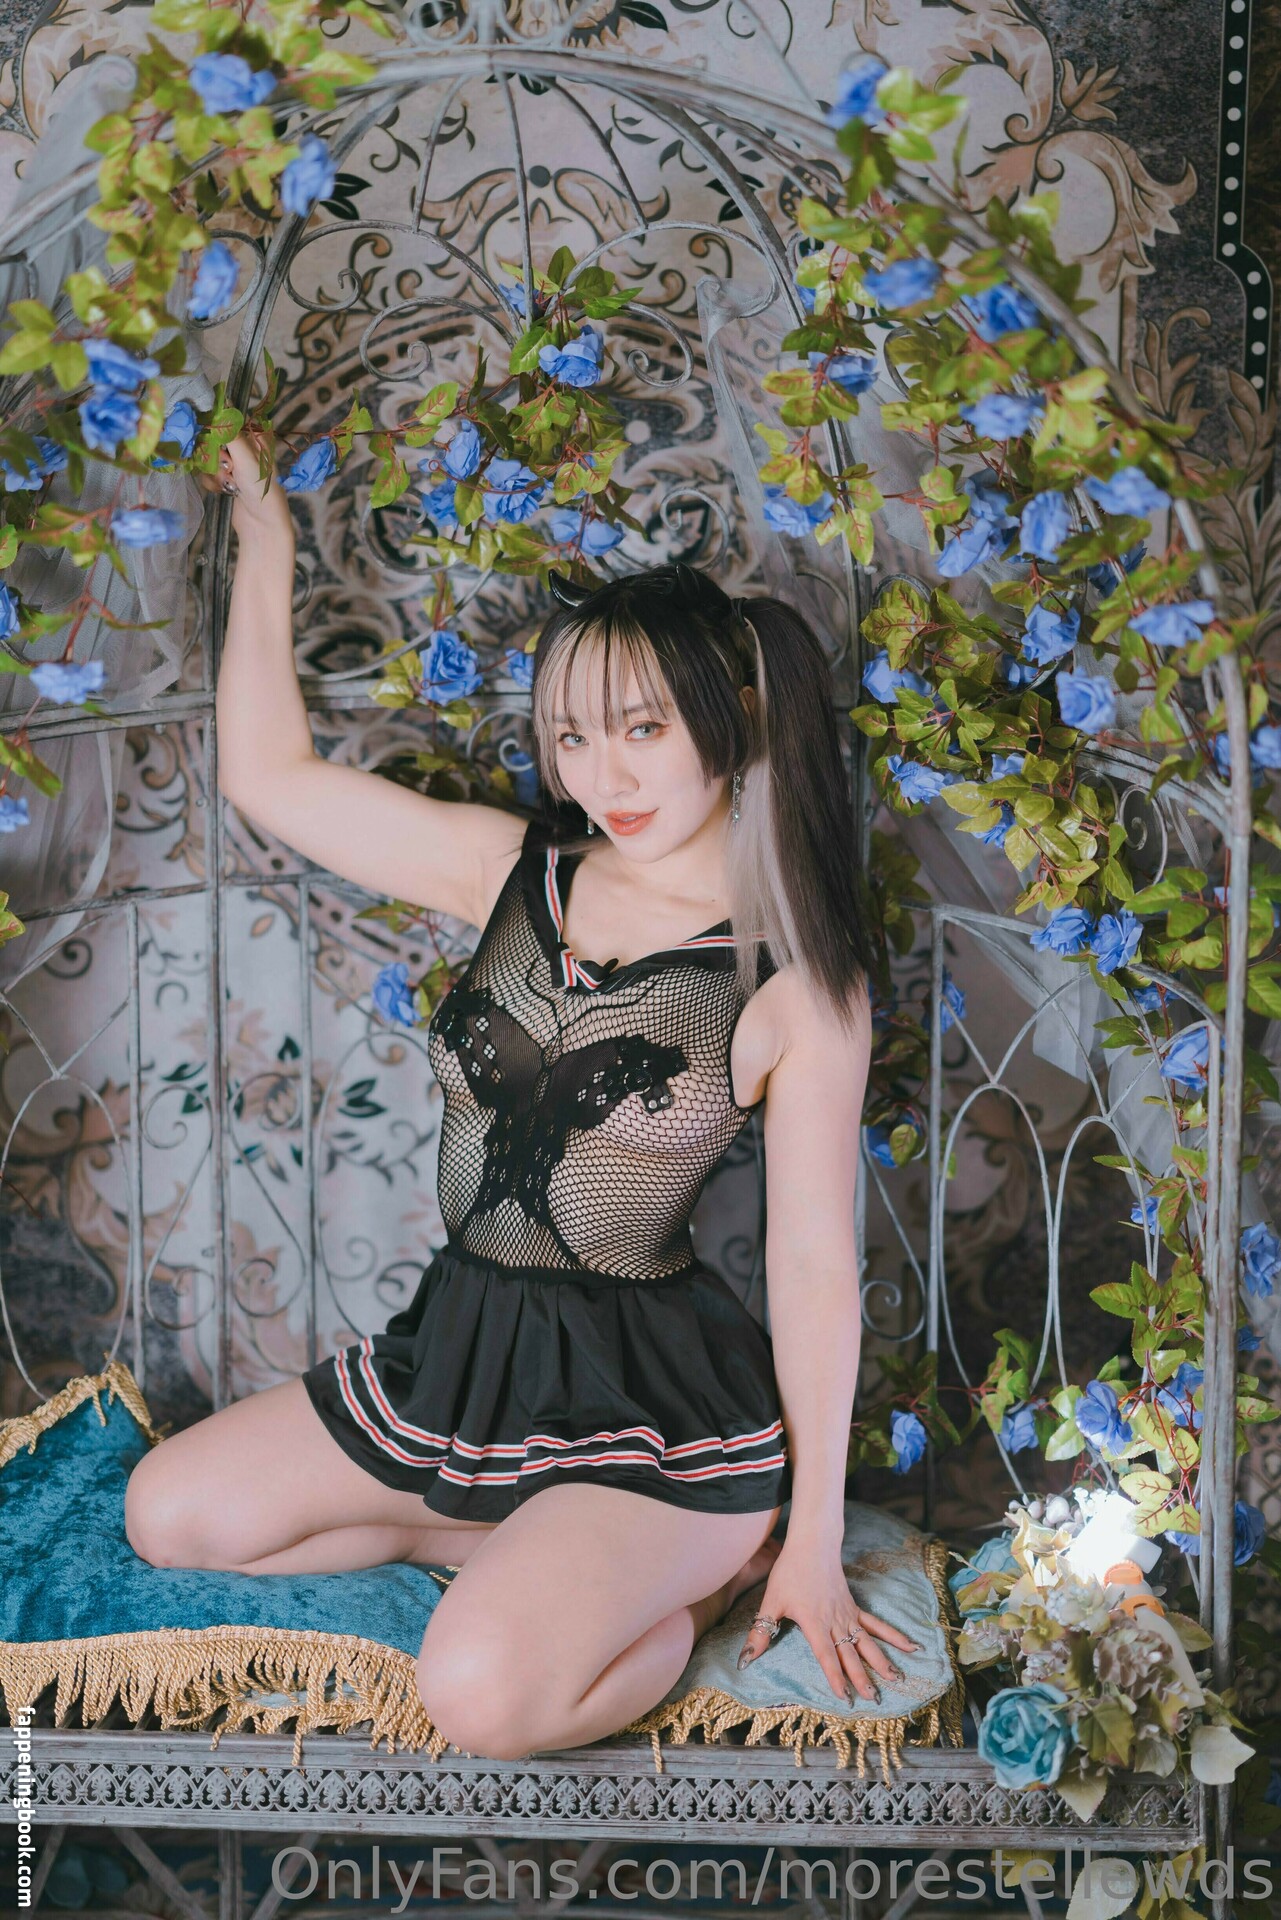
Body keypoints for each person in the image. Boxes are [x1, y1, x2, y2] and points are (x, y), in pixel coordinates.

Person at [124, 428, 918, 1763]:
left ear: (734, 719)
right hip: (467, 1352)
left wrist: (816, 1543)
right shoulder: (516, 871)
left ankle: (693, 1583)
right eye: (572, 737)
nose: (605, 778)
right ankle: (485, 1533)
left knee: (484, 1699)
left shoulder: (796, 983)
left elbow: (810, 1268)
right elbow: (271, 781)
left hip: (657, 1416)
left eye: (643, 730)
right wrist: (265, 536)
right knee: (169, 1514)